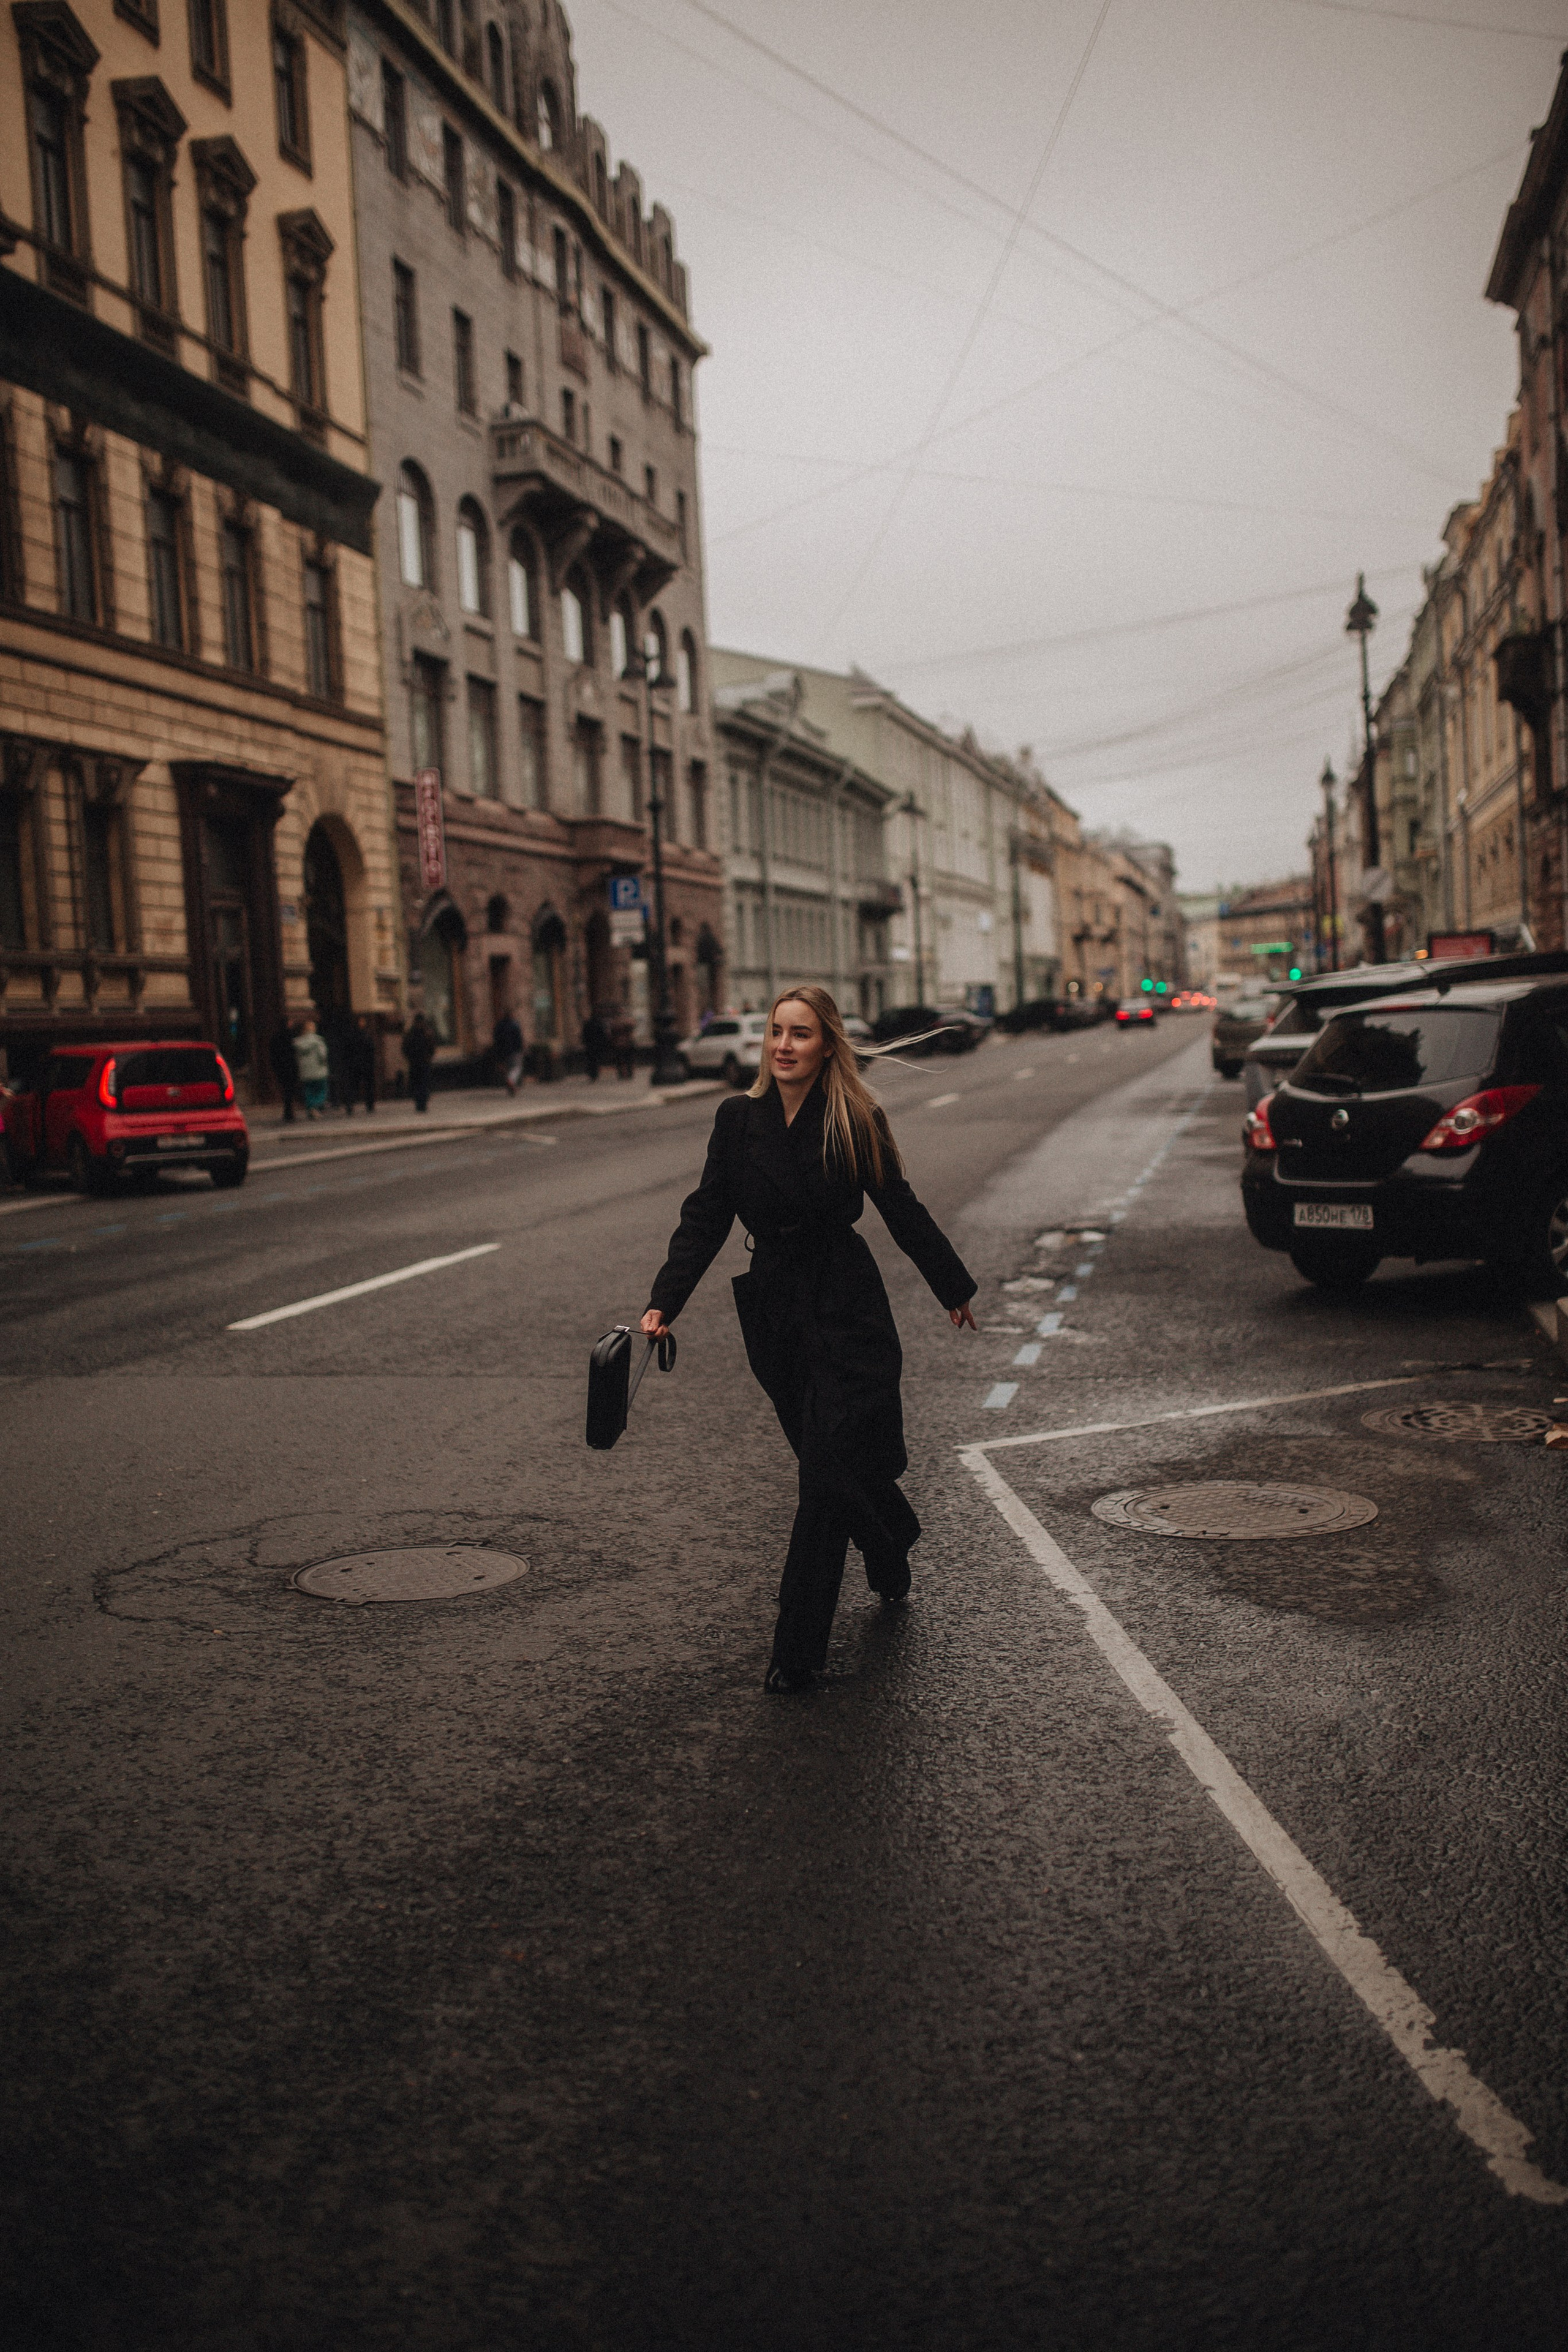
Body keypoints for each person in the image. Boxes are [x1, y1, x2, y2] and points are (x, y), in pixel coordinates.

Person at [641, 984, 976, 1694]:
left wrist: (952, 1286)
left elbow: (900, 1208)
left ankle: (796, 1652)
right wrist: (664, 1302)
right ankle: (889, 1539)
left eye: (800, 1033)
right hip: (776, 1307)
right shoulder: (737, 1120)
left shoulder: (855, 1117)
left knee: (822, 1469)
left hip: (847, 1303)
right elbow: (706, 1216)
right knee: (828, 1460)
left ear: (827, 1045)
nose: (783, 1046)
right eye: (776, 1032)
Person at [293, 1015, 330, 1120]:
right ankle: (315, 1107)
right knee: (321, 1090)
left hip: (305, 1072)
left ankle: (311, 1108)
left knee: (309, 1091)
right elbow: (323, 1055)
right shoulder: (318, 1041)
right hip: (319, 1070)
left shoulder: (298, 1042)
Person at [267, 1016, 300, 1123]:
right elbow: (294, 1051)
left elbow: (273, 1054)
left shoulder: (275, 1037)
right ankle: (289, 1112)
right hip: (290, 1066)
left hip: (280, 1067)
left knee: (285, 1089)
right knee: (290, 1090)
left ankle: (288, 1111)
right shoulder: (291, 1036)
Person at [402, 1012, 435, 1113]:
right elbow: (405, 1048)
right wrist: (411, 1058)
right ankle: (419, 1103)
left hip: (423, 1063)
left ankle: (423, 1103)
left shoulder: (426, 1033)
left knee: (424, 1084)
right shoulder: (412, 1034)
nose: (420, 1024)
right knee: (417, 1084)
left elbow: (432, 1047)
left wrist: (429, 1057)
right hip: (415, 1063)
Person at [347, 1014, 378, 1115]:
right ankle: (350, 1104)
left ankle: (370, 1105)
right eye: (360, 1021)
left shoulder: (367, 1034)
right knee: (354, 1085)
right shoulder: (354, 1035)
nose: (362, 1023)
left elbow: (371, 1050)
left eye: (363, 1021)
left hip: (367, 1064)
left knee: (368, 1085)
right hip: (356, 1064)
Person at [493, 1008, 524, 1095]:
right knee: (516, 1068)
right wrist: (521, 1049)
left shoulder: (499, 1026)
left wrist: (498, 1053)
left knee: (508, 1069)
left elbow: (496, 1040)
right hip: (514, 1051)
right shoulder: (515, 1025)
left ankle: (511, 1087)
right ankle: (511, 1081)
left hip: (503, 1052)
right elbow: (519, 1039)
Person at [582, 1008, 611, 1082]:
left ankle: (592, 1074)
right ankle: (594, 1074)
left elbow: (584, 1035)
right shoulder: (600, 1024)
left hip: (590, 1045)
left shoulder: (588, 1023)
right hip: (597, 1045)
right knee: (596, 1060)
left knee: (591, 1060)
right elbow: (603, 1035)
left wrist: (585, 1042)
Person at [609, 1010, 635, 1080]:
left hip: (620, 1044)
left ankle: (623, 1073)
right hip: (625, 1044)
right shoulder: (625, 1023)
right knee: (626, 1059)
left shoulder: (614, 1023)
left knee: (622, 1059)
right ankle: (627, 1073)